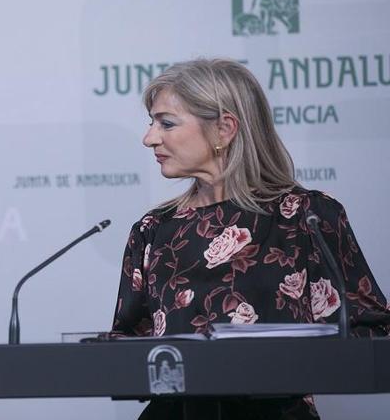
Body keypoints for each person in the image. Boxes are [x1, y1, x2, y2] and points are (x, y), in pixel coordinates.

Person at [111, 59, 390, 419]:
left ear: (224, 129)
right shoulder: (153, 230)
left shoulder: (306, 217)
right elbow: (125, 348)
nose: (149, 137)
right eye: (152, 123)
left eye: (166, 123)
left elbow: (371, 335)